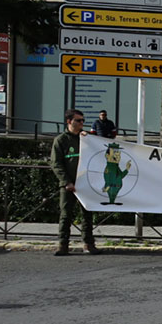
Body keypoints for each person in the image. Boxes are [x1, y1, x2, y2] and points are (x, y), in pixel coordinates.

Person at [51, 109, 98, 256]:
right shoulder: (61, 140)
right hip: (69, 185)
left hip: (85, 183)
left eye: (83, 120)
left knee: (87, 214)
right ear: (69, 121)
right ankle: (63, 244)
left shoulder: (86, 138)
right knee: (66, 215)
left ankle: (89, 244)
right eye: (78, 120)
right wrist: (66, 181)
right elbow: (56, 163)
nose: (81, 123)